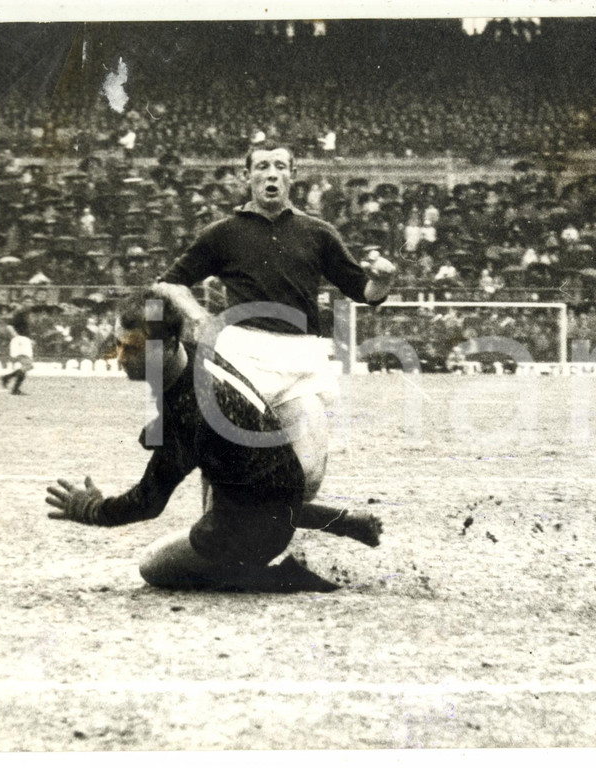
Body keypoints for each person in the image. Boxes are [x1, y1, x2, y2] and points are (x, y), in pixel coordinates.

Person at [44, 291, 382, 592]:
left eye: (132, 349)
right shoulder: (195, 354)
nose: (119, 357)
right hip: (279, 484)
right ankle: (340, 521)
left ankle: (282, 577)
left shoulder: (192, 413)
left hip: (261, 525)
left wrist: (91, 509)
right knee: (242, 488)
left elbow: (148, 503)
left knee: (152, 566)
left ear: (170, 344)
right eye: (118, 344)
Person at [153, 142, 396, 507]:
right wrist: (198, 315)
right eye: (262, 166)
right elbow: (168, 283)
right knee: (226, 464)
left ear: (292, 175)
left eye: (280, 166)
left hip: (300, 357)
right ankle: (214, 543)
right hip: (241, 355)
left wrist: (385, 279)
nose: (271, 173)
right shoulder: (223, 233)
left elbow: (365, 291)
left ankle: (266, 537)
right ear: (246, 175)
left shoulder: (319, 232)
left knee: (309, 471)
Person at [1, 308, 33, 396]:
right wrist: (17, 337)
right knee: (28, 365)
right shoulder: (20, 315)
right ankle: (14, 388)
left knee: (28, 366)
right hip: (21, 341)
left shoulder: (25, 316)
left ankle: (7, 378)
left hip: (25, 341)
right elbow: (9, 326)